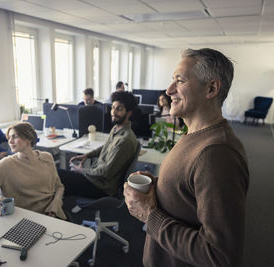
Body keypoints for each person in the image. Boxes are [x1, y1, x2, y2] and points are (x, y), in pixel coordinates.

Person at [124, 48, 250, 267]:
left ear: (211, 88)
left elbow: (219, 256)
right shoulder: (194, 135)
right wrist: (158, 185)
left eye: (179, 81)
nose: (169, 89)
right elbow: (190, 193)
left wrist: (149, 216)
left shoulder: (216, 154)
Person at [0, 122, 66, 219]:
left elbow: (59, 187)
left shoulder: (47, 157)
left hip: (53, 213)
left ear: (29, 138)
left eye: (14, 137)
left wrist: (55, 206)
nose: (10, 141)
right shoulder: (6, 164)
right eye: (9, 138)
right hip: (25, 219)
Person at [59, 91, 138, 198]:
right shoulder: (116, 128)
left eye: (119, 109)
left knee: (59, 176)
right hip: (95, 178)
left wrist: (82, 171)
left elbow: (105, 172)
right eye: (113, 107)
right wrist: (86, 155)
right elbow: (105, 147)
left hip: (101, 187)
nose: (113, 112)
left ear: (129, 113)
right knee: (59, 178)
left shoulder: (125, 140)